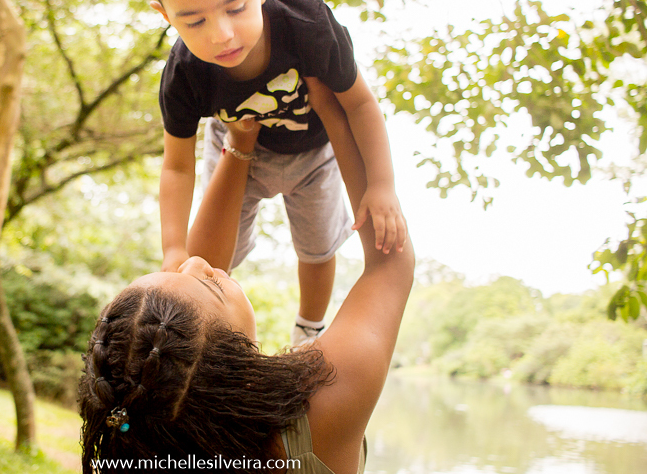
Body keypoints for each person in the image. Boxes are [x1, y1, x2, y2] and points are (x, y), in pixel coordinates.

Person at [141, 0, 407, 345]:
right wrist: (172, 250)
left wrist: (382, 186)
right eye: (194, 21)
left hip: (312, 150)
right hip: (237, 146)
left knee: (318, 246)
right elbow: (176, 165)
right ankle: (212, 345)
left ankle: (308, 329)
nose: (222, 34)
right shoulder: (183, 74)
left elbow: (361, 105)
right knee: (204, 265)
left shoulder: (310, 26)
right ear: (165, 16)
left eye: (236, 7)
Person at [80, 115, 414, 473]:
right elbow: (389, 266)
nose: (194, 261)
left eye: (172, 272)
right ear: (240, 375)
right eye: (211, 284)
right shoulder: (322, 406)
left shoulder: (148, 448)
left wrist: (240, 144)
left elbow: (203, 276)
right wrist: (339, 111)